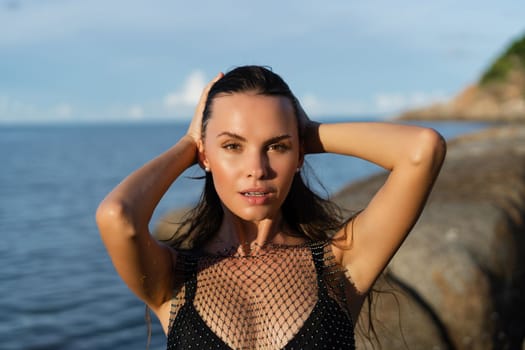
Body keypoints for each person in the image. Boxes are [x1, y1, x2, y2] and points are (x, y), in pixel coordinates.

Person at [96, 65, 446, 349]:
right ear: (205, 155)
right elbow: (117, 217)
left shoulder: (340, 265)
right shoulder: (172, 279)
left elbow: (422, 150)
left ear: (298, 155)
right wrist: (189, 143)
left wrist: (307, 132)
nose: (258, 169)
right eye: (233, 146)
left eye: (277, 146)